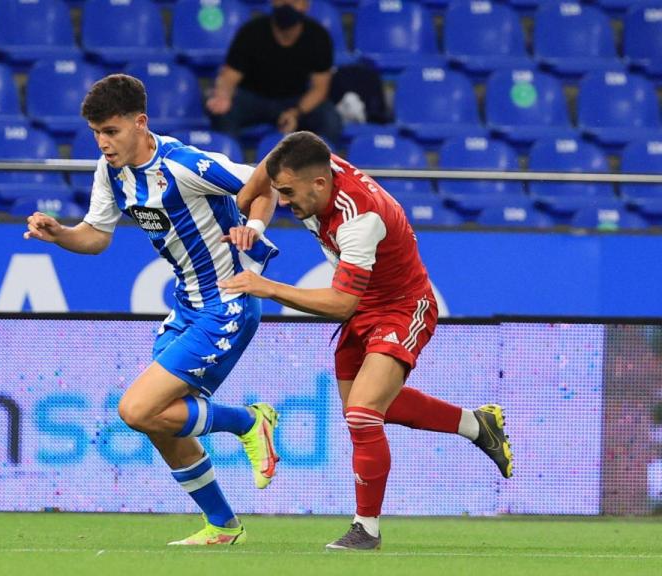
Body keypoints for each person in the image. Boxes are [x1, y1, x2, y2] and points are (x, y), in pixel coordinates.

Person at [219, 132, 513, 551]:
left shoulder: (359, 217)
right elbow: (273, 164)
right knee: (369, 408)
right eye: (280, 191)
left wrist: (267, 287)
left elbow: (340, 302)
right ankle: (475, 424)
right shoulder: (312, 166)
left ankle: (366, 530)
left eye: (288, 193)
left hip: (401, 305)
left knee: (361, 412)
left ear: (320, 184)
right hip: (365, 306)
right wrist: (253, 221)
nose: (282, 200)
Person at [25, 74, 282, 546]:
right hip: (187, 305)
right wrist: (59, 233)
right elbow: (97, 237)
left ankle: (249, 421)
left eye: (112, 131)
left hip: (227, 304)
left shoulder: (186, 164)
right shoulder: (111, 171)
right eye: (97, 133)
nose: (103, 143)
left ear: (140, 123)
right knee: (159, 422)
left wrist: (256, 225)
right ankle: (223, 526)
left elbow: (267, 183)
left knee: (137, 409)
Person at [206, 0, 342, 144]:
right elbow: (229, 75)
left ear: (305, 6)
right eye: (282, 1)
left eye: (294, 2)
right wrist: (223, 95)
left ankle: (318, 164)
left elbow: (320, 88)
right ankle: (230, 160)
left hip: (296, 99)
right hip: (253, 98)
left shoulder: (318, 36)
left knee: (329, 119)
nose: (287, 5)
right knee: (221, 110)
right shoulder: (252, 31)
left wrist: (296, 112)